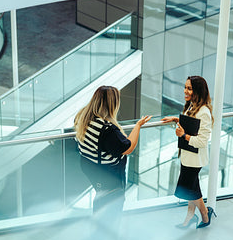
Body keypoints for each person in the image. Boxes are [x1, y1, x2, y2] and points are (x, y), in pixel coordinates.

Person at [74, 85, 151, 221]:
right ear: (112, 104)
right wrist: (138, 125)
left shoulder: (82, 116)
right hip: (108, 175)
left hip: (90, 167)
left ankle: (99, 229)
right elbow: (127, 147)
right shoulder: (107, 129)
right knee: (112, 208)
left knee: (102, 199)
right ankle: (105, 235)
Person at [162, 76, 216, 229]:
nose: (185, 91)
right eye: (185, 87)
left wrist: (183, 136)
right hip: (187, 156)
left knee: (190, 189)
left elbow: (202, 141)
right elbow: (189, 124)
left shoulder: (203, 112)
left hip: (194, 159)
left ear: (197, 91)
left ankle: (205, 214)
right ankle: (191, 216)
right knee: (192, 187)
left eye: (189, 88)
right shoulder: (191, 106)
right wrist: (175, 119)